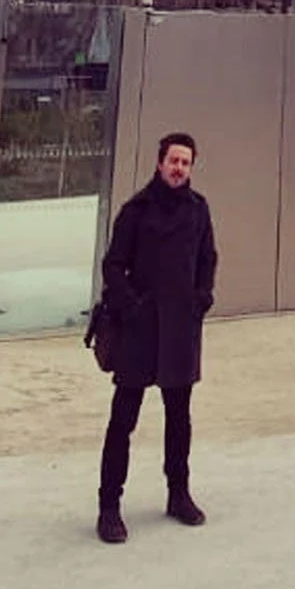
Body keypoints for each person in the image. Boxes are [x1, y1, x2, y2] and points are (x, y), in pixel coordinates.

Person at [94, 131, 218, 544]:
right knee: (122, 421)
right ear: (159, 163)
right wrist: (130, 307)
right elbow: (113, 266)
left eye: (186, 162)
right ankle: (109, 507)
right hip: (139, 331)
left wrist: (200, 300)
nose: (179, 168)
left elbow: (207, 259)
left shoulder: (199, 211)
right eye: (173, 161)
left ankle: (178, 494)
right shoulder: (135, 211)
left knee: (179, 419)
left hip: (181, 329)